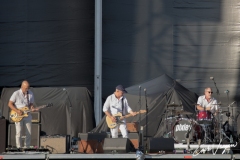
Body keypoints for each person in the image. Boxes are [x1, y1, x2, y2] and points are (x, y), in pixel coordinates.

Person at [8, 80, 38, 148]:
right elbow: (9, 104)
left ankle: (26, 147)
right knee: (19, 132)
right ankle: (19, 147)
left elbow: (31, 104)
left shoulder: (30, 93)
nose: (27, 89)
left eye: (28, 88)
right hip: (18, 115)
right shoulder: (16, 93)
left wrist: (33, 108)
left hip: (27, 115)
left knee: (29, 133)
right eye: (25, 88)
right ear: (22, 86)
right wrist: (17, 110)